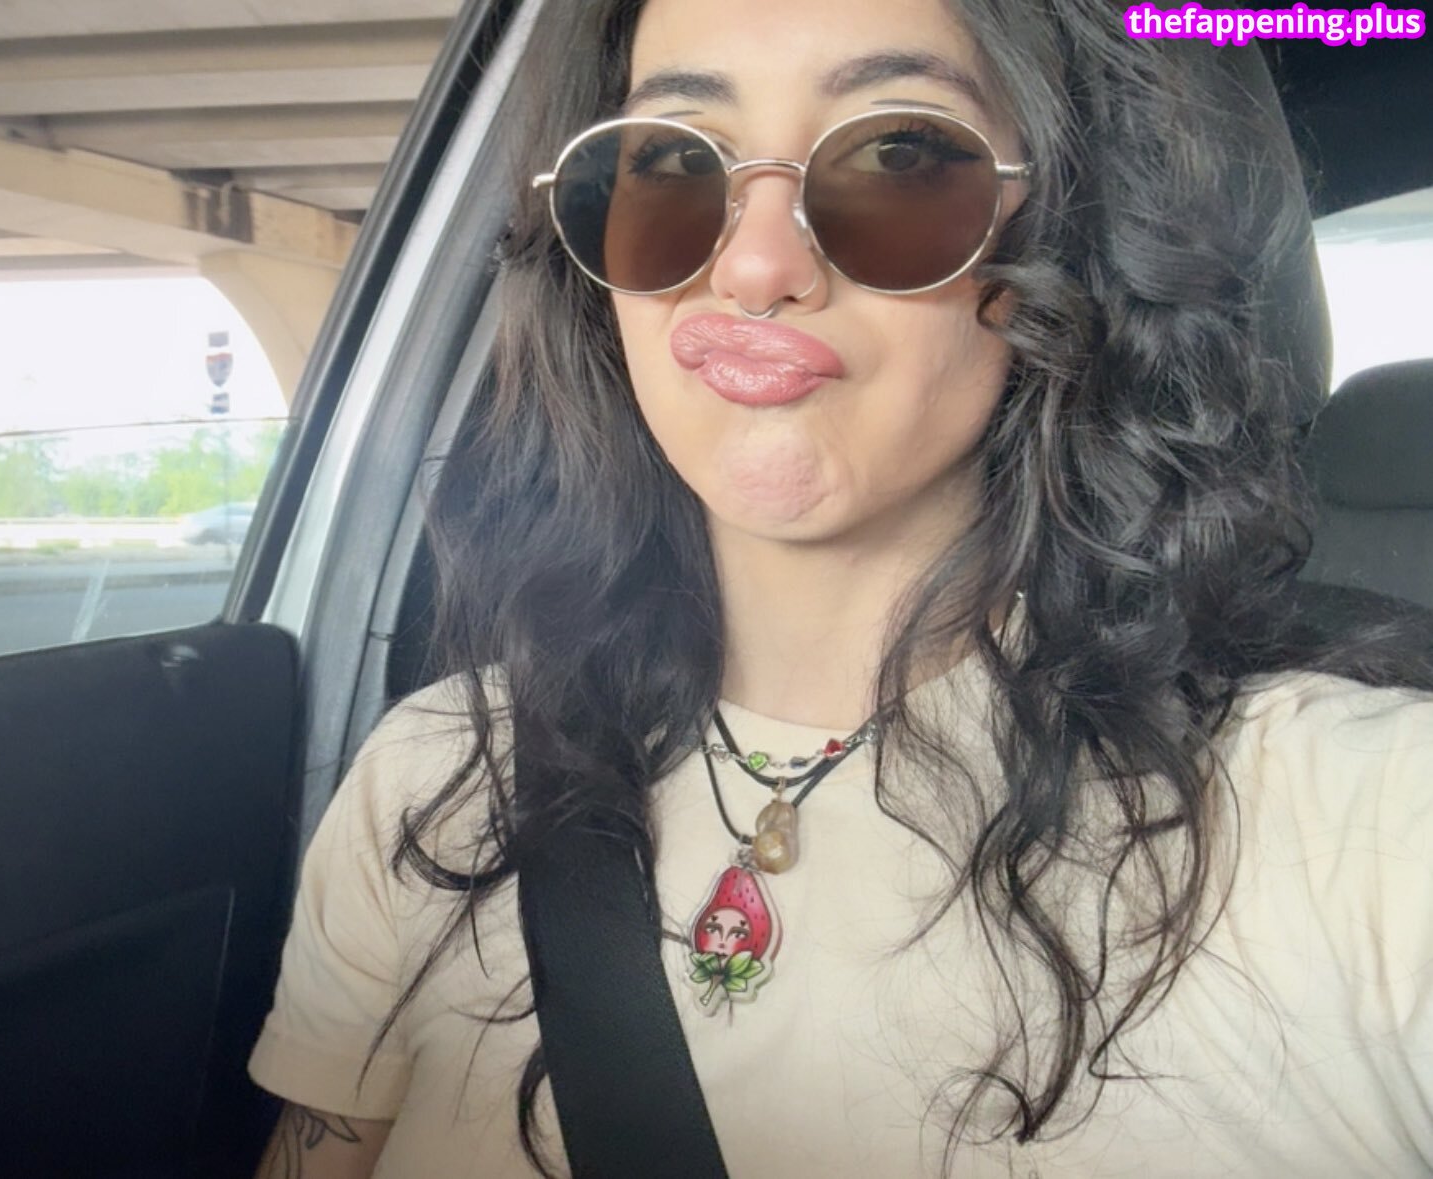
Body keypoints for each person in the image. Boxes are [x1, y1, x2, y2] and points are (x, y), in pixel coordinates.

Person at [246, 0, 1433, 1175]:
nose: (753, 266)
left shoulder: (1370, 827)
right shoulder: (442, 779)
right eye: (670, 163)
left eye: (899, 154)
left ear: (1065, 236)